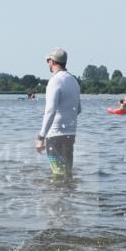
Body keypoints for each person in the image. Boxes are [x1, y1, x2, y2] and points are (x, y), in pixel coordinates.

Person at [36, 48, 82, 176]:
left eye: (48, 61)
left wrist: (41, 137)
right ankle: (69, 189)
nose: (48, 63)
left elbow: (50, 111)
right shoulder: (74, 81)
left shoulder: (55, 81)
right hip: (70, 134)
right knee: (67, 172)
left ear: (52, 61)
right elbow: (78, 109)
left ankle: (57, 190)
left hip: (55, 135)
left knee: (57, 174)